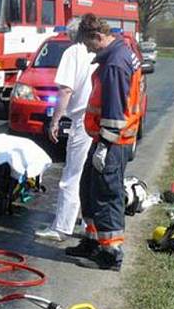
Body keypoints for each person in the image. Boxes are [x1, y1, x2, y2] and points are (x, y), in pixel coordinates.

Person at [66, 14, 142, 271]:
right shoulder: (117, 54)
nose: (87, 50)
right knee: (88, 188)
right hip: (104, 138)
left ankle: (111, 252)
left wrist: (104, 145)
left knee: (107, 194)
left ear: (98, 37)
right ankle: (93, 241)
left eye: (88, 45)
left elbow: (114, 111)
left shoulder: (115, 64)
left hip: (113, 140)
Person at [35, 24, 96, 242]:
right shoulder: (95, 52)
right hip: (97, 118)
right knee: (89, 175)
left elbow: (66, 90)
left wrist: (55, 120)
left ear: (72, 35)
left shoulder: (73, 52)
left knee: (71, 175)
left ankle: (61, 227)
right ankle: (87, 221)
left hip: (82, 120)